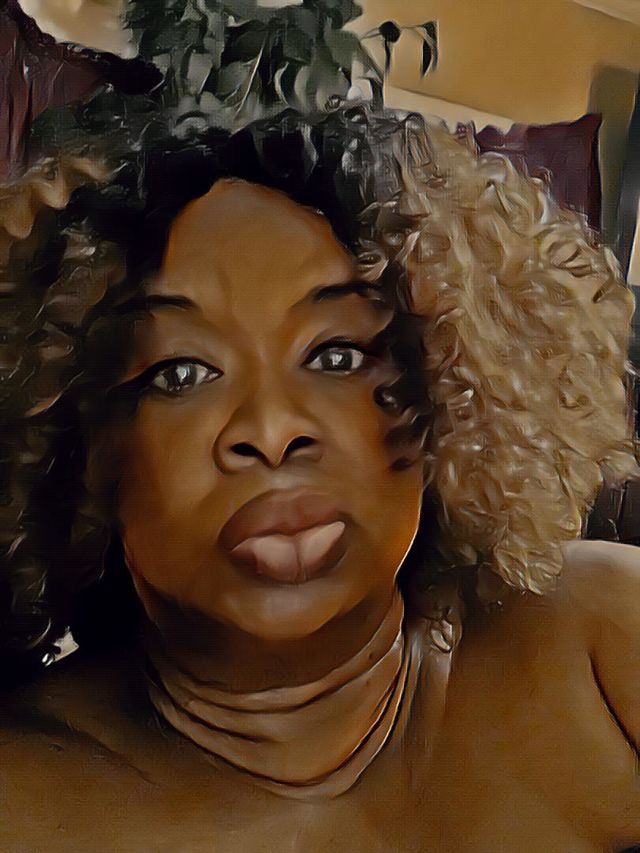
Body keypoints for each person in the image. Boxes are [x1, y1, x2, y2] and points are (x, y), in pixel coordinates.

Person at [0, 104, 638, 852]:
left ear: (444, 391)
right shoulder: (21, 796)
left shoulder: (603, 637)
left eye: (337, 356)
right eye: (181, 373)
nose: (272, 430)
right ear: (81, 450)